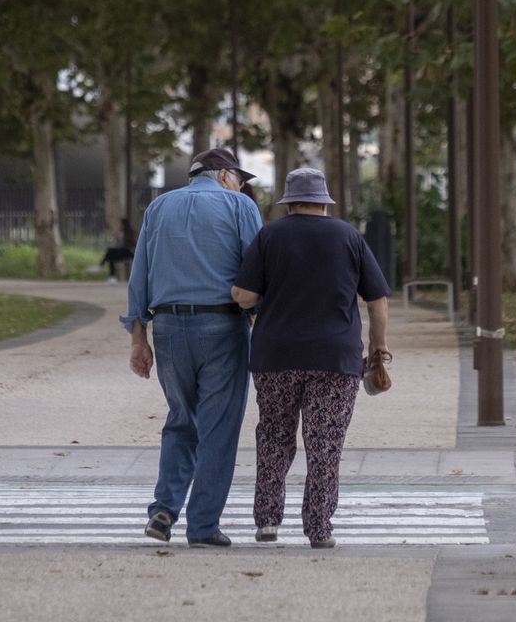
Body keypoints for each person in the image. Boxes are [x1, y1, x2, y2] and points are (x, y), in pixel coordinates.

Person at [231, 167, 390, 548]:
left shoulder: (269, 235)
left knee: (273, 437)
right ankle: (319, 528)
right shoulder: (349, 236)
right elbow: (377, 301)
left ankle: (268, 521)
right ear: (323, 202)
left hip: (275, 356)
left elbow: (243, 295)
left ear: (288, 204)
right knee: (325, 444)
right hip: (334, 359)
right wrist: (377, 347)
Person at [121, 147, 262, 548]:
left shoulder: (158, 207)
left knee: (181, 419)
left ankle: (164, 509)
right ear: (223, 175)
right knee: (218, 427)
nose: (241, 186)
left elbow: (139, 275)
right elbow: (255, 272)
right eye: (239, 178)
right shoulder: (239, 207)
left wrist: (138, 338)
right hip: (223, 326)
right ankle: (202, 526)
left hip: (167, 327)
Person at [99, 218, 136, 282]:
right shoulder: (121, 232)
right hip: (121, 251)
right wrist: (117, 237)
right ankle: (111, 275)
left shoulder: (129, 233)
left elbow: (131, 244)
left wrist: (122, 239)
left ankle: (102, 264)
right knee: (110, 256)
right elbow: (118, 245)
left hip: (127, 252)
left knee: (110, 251)